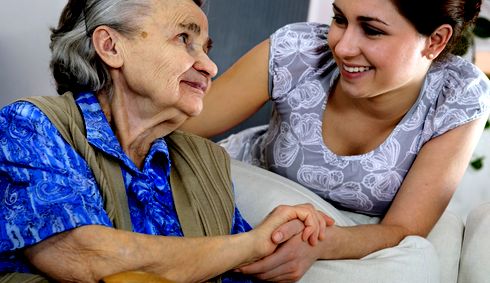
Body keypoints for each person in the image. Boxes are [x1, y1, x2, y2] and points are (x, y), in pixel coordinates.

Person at [0, 0, 332, 282]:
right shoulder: (33, 125)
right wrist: (251, 244)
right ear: (111, 47)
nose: (210, 67)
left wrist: (285, 238)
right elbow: (82, 254)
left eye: (205, 48)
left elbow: (238, 269)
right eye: (184, 38)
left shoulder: (206, 160)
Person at [181, 0, 490, 281]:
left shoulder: (458, 95)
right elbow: (174, 126)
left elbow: (403, 229)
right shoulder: (298, 49)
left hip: (348, 233)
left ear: (436, 40)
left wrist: (316, 244)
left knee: (420, 262)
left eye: (371, 30)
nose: (342, 47)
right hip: (250, 195)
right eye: (340, 19)